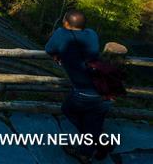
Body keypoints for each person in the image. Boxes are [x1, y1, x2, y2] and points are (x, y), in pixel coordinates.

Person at [45, 10, 111, 163]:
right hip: (106, 90)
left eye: (64, 20)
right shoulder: (92, 34)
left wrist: (59, 54)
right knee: (93, 121)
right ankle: (95, 146)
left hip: (85, 93)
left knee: (68, 109)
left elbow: (49, 49)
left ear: (66, 23)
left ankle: (92, 145)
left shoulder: (61, 34)